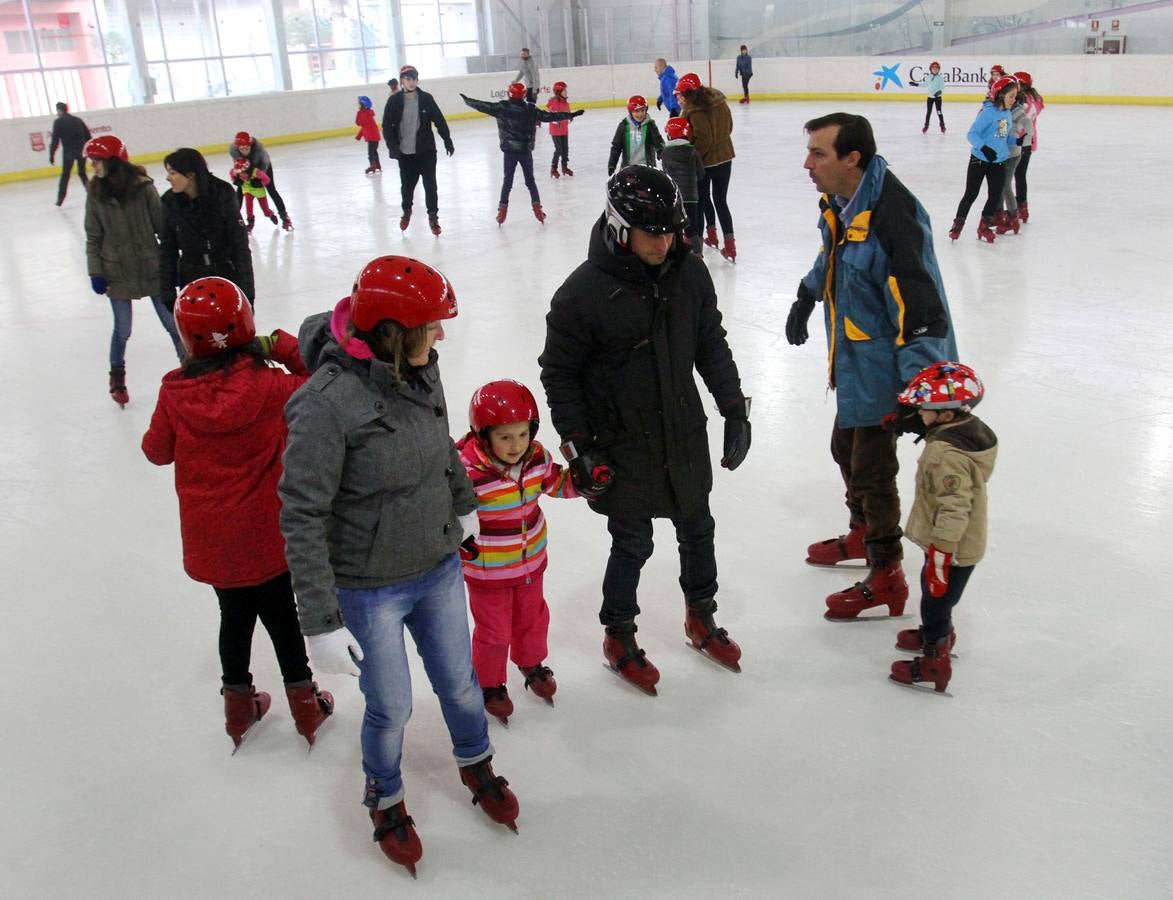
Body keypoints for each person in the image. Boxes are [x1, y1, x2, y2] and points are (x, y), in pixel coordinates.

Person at [278, 255, 520, 877]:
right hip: (368, 589)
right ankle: (384, 795)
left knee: (462, 682)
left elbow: (439, 444)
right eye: (432, 326)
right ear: (393, 331)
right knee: (391, 706)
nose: (442, 336)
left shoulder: (417, 368)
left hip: (437, 564)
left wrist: (463, 504)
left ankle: (476, 759)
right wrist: (321, 620)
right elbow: (301, 512)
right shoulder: (325, 406)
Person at [538, 166, 752, 696]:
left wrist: (734, 409)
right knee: (631, 543)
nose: (664, 242)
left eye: (671, 230)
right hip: (621, 443)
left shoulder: (691, 274)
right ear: (618, 228)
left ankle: (700, 616)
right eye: (651, 232)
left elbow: (710, 343)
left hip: (682, 431)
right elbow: (558, 374)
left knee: (698, 528)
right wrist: (578, 448)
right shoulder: (582, 294)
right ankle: (618, 634)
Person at [142, 277, 335, 750]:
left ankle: (238, 706)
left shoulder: (175, 393)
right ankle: (305, 706)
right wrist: (284, 345)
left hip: (214, 541)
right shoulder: (270, 386)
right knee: (281, 617)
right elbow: (319, 382)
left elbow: (155, 452)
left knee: (234, 616)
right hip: (268, 534)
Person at [786, 112, 957, 622]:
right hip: (857, 360)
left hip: (889, 370)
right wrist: (806, 293)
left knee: (872, 469)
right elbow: (834, 255)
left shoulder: (893, 217)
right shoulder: (844, 202)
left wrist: (919, 389)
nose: (807, 163)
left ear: (851, 158)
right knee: (845, 448)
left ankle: (887, 574)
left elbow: (922, 309)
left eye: (819, 154)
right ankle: (862, 533)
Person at [456, 380, 579, 725]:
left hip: (530, 563)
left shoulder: (536, 458)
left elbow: (555, 482)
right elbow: (446, 511)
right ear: (484, 436)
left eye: (523, 434)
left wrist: (583, 482)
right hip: (487, 571)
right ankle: (491, 683)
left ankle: (531, 661)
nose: (516, 445)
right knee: (494, 631)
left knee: (533, 618)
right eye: (505, 437)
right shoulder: (466, 472)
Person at [889, 362, 997, 694]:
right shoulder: (968, 431)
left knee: (935, 599)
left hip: (951, 547)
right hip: (955, 544)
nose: (919, 413)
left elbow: (954, 506)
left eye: (923, 410)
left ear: (946, 415)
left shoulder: (946, 455)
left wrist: (941, 551)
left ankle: (936, 659)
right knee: (939, 598)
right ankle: (937, 632)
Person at [83, 135, 184, 408]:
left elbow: (164, 230)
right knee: (123, 329)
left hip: (151, 268)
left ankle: (190, 371)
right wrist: (96, 273)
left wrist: (171, 266)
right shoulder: (95, 194)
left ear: (114, 161)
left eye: (97, 160)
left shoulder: (143, 188)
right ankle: (117, 378)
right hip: (116, 271)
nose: (93, 165)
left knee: (173, 325)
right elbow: (93, 237)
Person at [460, 84, 582, 225]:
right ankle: (537, 210)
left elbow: (483, 106)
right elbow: (550, 116)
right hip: (525, 151)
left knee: (508, 181)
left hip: (510, 152)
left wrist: (467, 100)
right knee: (530, 182)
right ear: (524, 95)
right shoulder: (530, 109)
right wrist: (571, 115)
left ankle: (502, 211)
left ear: (509, 94)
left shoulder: (502, 108)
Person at [159, 147, 254, 310]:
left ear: (190, 174)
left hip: (225, 276)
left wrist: (247, 293)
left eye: (173, 173)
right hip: (191, 280)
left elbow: (240, 246)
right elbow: (168, 249)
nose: (168, 178)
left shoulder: (222, 193)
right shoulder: (170, 201)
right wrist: (167, 292)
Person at [381, 65, 455, 236]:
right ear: (402, 81)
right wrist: (393, 147)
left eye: (414, 79)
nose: (411, 82)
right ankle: (406, 211)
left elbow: (439, 120)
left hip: (426, 151)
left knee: (431, 186)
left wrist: (447, 140)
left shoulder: (426, 98)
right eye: (408, 79)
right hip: (406, 154)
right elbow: (387, 126)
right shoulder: (394, 101)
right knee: (407, 187)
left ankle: (433, 217)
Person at [676, 72, 738, 262]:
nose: (678, 98)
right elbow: (729, 127)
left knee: (701, 202)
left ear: (688, 94)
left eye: (680, 94)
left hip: (705, 163)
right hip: (725, 157)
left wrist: (694, 158)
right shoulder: (718, 100)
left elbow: (704, 139)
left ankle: (698, 248)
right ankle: (728, 245)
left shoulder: (693, 110)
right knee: (720, 201)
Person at [947, 75, 1017, 243]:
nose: (1013, 100)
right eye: (1011, 96)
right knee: (971, 193)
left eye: (1015, 96)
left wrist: (1016, 141)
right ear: (1000, 95)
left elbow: (1002, 136)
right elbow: (971, 134)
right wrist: (984, 148)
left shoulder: (1006, 114)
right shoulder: (988, 113)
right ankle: (958, 224)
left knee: (994, 195)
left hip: (998, 161)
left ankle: (984, 226)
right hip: (979, 160)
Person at [660, 117, 706, 257]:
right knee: (692, 227)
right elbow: (701, 173)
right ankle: (697, 252)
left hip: (675, 197)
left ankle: (677, 252)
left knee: (676, 226)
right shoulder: (693, 151)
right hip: (692, 197)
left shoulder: (665, 153)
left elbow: (665, 174)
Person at [229, 132, 293, 231]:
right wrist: (237, 177)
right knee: (240, 190)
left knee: (271, 190)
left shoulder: (259, 151)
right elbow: (237, 166)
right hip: (245, 169)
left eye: (246, 148)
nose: (244, 151)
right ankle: (234, 220)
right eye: (241, 149)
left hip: (262, 168)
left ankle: (285, 217)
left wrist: (259, 181)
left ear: (250, 145)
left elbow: (264, 167)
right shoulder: (234, 151)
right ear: (237, 148)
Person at [994, 83, 1034, 235]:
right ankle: (1001, 215)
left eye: (1012, 97)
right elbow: (1001, 134)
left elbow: (1029, 124)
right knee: (1000, 185)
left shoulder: (1015, 111)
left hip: (1013, 154)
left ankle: (1013, 218)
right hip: (1004, 153)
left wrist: (1027, 142)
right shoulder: (1005, 112)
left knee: (1005, 186)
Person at [1013, 71, 1044, 224]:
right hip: (1030, 142)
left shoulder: (1023, 101)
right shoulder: (1036, 99)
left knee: (1006, 177)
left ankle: (1014, 209)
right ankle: (1022, 208)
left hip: (1018, 141)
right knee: (1020, 175)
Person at [608, 96, 664, 175]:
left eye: (642, 110)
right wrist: (612, 165)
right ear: (631, 112)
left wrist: (660, 150)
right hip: (628, 168)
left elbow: (658, 140)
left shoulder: (650, 125)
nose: (640, 114)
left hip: (648, 168)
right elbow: (616, 147)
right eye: (636, 111)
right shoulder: (624, 126)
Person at [49, 101, 91, 206]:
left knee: (65, 175)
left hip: (68, 152)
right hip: (82, 151)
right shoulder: (78, 120)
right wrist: (88, 150)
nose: (57, 113)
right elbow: (88, 137)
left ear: (60, 110)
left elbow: (55, 141)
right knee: (82, 173)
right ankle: (92, 193)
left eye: (57, 111)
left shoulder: (58, 122)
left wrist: (51, 155)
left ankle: (60, 199)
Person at [228, 157, 279, 232]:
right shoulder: (235, 172)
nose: (242, 176)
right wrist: (235, 180)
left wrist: (259, 184)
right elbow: (231, 173)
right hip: (247, 190)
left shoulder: (257, 172)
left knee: (265, 211)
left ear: (248, 170)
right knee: (249, 207)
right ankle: (250, 222)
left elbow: (267, 180)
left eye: (244, 173)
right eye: (239, 174)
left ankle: (270, 214)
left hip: (259, 191)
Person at [546, 80, 575, 178]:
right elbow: (551, 116)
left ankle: (564, 167)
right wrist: (557, 119)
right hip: (555, 131)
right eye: (564, 90)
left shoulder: (565, 102)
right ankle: (553, 169)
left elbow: (567, 111)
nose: (566, 92)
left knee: (565, 149)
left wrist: (570, 116)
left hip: (564, 130)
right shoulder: (554, 103)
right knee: (558, 149)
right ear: (558, 92)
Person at [355, 95, 382, 176]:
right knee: (374, 151)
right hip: (375, 136)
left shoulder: (362, 114)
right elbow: (364, 127)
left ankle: (372, 165)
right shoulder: (368, 114)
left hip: (371, 137)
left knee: (371, 152)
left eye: (359, 103)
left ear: (363, 105)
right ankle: (377, 165)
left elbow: (358, 123)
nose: (358, 105)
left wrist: (359, 113)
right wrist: (358, 136)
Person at [921, 60, 945, 134]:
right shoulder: (928, 77)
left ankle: (942, 125)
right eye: (933, 68)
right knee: (928, 112)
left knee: (939, 111)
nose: (935, 69)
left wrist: (939, 92)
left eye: (936, 68)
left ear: (938, 69)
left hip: (938, 98)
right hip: (930, 98)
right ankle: (926, 126)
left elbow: (942, 87)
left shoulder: (940, 78)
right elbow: (925, 84)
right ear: (930, 69)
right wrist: (916, 84)